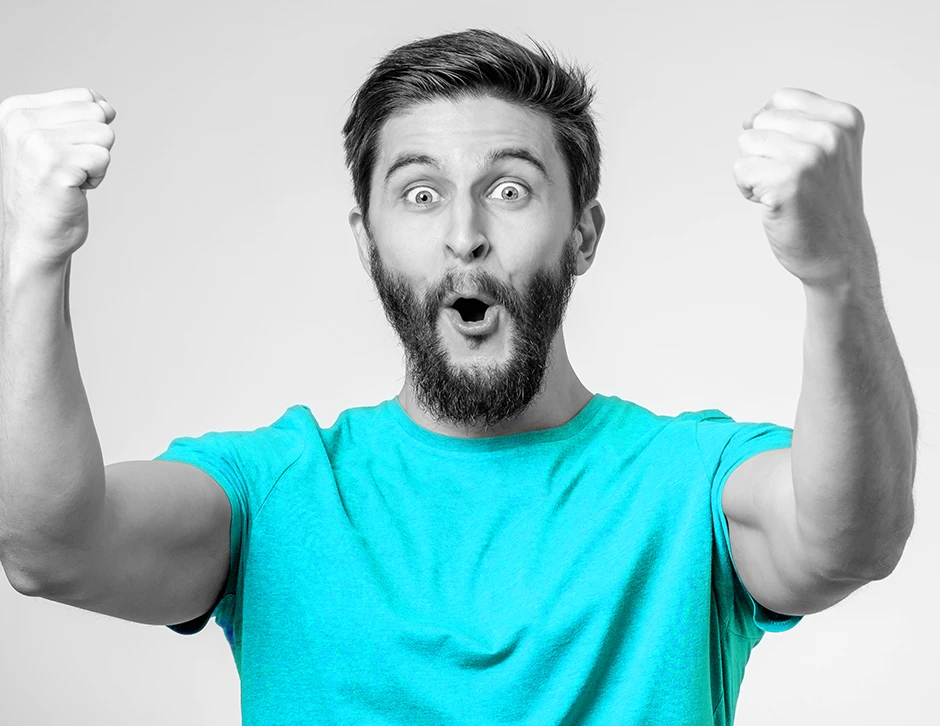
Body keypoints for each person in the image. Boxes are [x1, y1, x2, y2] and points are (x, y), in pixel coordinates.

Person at [0, 28, 917, 726]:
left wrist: (839, 271)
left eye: (511, 188)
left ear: (584, 235)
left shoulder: (693, 484)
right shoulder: (275, 491)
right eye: (420, 192)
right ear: (367, 242)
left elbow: (852, 538)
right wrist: (35, 255)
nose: (465, 232)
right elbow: (51, 548)